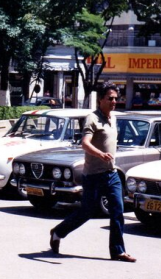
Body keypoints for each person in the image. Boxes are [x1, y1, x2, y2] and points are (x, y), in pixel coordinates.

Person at [49, 82, 136, 262]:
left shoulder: (114, 118)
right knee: (87, 211)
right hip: (93, 176)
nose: (114, 102)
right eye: (110, 98)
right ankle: (58, 232)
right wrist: (100, 154)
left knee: (118, 210)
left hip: (111, 174)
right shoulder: (92, 118)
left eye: (115, 99)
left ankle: (118, 251)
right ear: (100, 100)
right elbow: (85, 143)